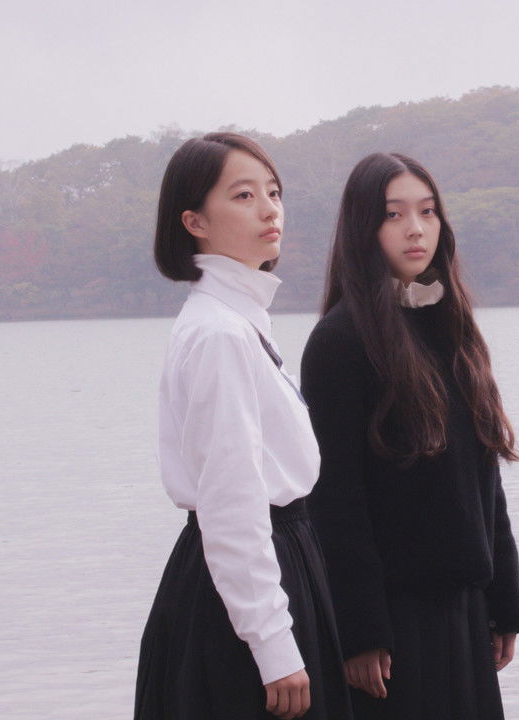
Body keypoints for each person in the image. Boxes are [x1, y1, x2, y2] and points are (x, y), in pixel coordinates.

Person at [300, 152, 519, 720]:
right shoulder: (339, 341)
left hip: (466, 611)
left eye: (427, 212)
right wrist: (360, 632)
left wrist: (504, 604)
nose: (415, 228)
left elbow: (484, 479)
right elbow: (335, 500)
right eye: (394, 214)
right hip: (394, 627)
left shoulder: (452, 326)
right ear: (363, 228)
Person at [135, 132, 351, 720]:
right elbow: (230, 500)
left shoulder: (239, 320)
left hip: (274, 562)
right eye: (243, 195)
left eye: (274, 192)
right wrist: (273, 643)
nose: (268, 208)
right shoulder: (220, 334)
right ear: (194, 221)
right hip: (247, 580)